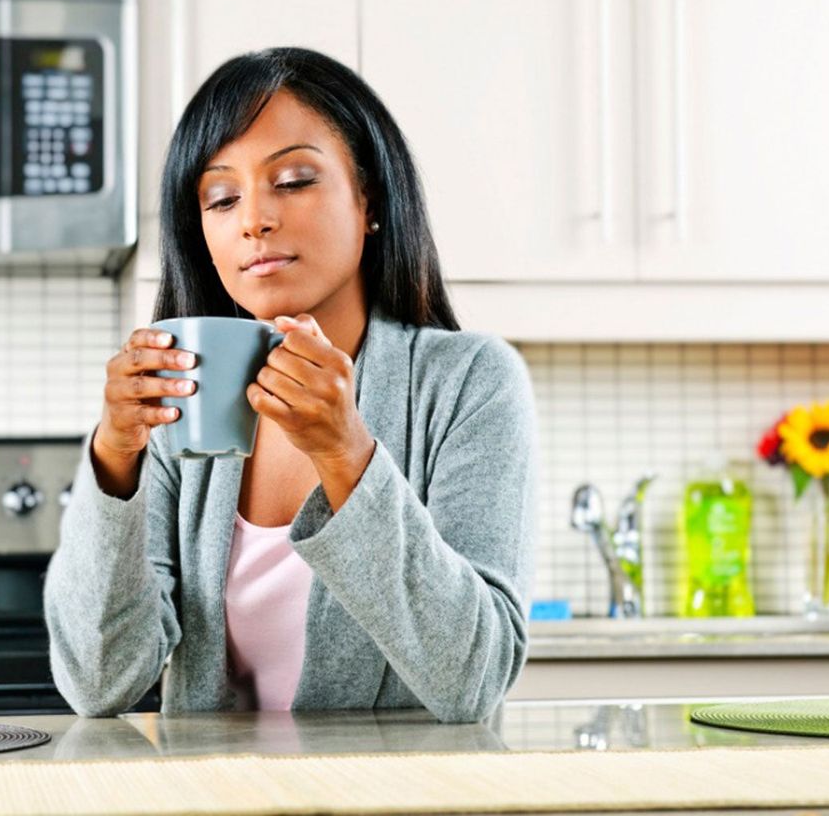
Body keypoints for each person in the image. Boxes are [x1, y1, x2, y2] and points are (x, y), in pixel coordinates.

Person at [43, 47, 537, 722]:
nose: (253, 220)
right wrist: (113, 460)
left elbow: (472, 679)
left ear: (371, 200)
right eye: (221, 197)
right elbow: (99, 683)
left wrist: (345, 456)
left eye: (295, 180)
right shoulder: (182, 404)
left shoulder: (470, 383)